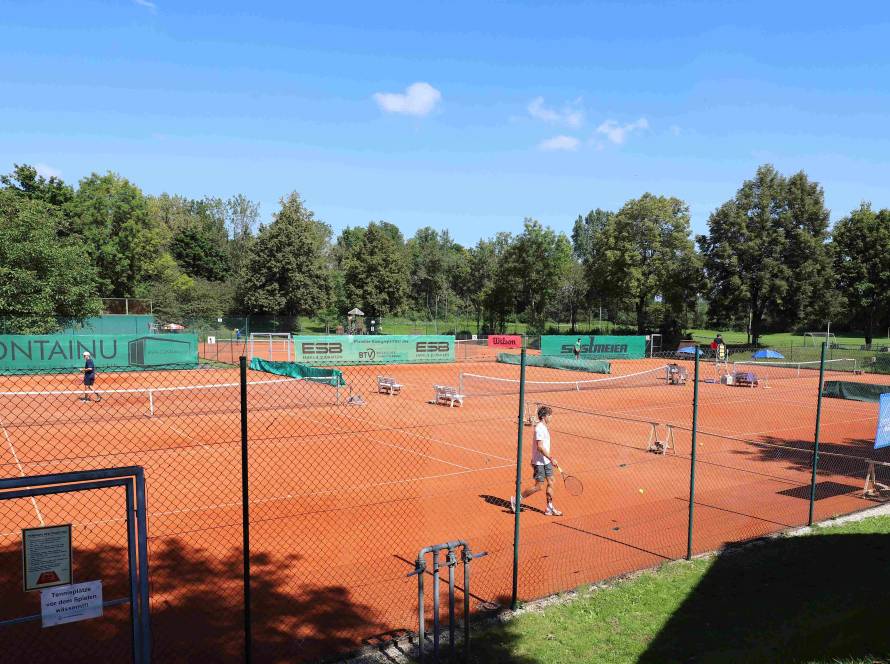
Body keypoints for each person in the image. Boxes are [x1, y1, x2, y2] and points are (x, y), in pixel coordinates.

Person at [511, 405, 562, 516]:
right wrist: (551, 458)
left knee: (551, 481)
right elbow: (539, 446)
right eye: (549, 415)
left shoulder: (543, 427)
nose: (551, 417)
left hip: (546, 461)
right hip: (539, 462)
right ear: (543, 416)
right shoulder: (539, 428)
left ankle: (549, 508)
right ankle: (516, 500)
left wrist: (549, 460)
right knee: (539, 486)